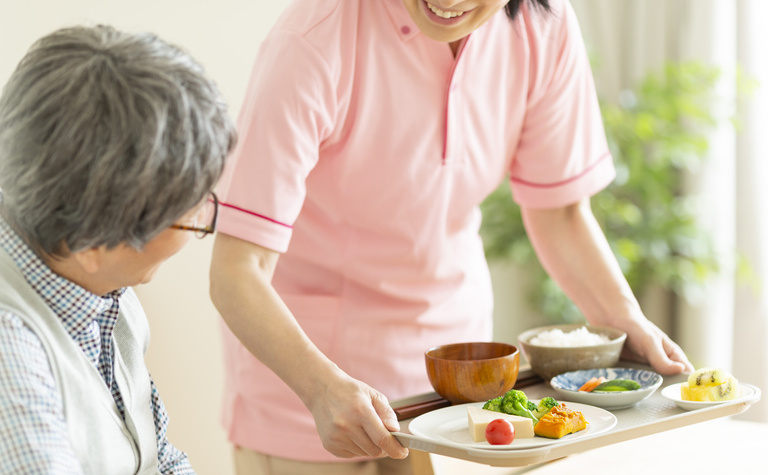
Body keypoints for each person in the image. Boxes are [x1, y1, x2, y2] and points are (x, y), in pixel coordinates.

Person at [209, 0, 693, 473]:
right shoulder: (315, 37)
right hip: (311, 385)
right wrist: (320, 387)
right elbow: (238, 272)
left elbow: (561, 214)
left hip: (456, 388)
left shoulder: (541, 25)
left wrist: (627, 324)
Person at [0, 25, 236, 474]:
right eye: (190, 215)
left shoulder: (97, 284)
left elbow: (158, 457)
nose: (206, 217)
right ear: (93, 241)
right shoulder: (10, 355)